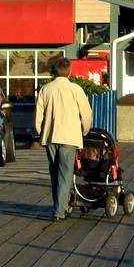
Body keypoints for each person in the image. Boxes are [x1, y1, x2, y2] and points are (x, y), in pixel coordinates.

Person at [35, 58, 93, 221]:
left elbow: (38, 115)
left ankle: (59, 205)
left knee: (54, 172)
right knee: (65, 173)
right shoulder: (76, 89)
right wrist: (84, 130)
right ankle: (60, 210)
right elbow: (86, 114)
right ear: (69, 71)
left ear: (54, 71)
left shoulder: (46, 89)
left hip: (50, 136)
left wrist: (41, 131)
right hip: (70, 136)